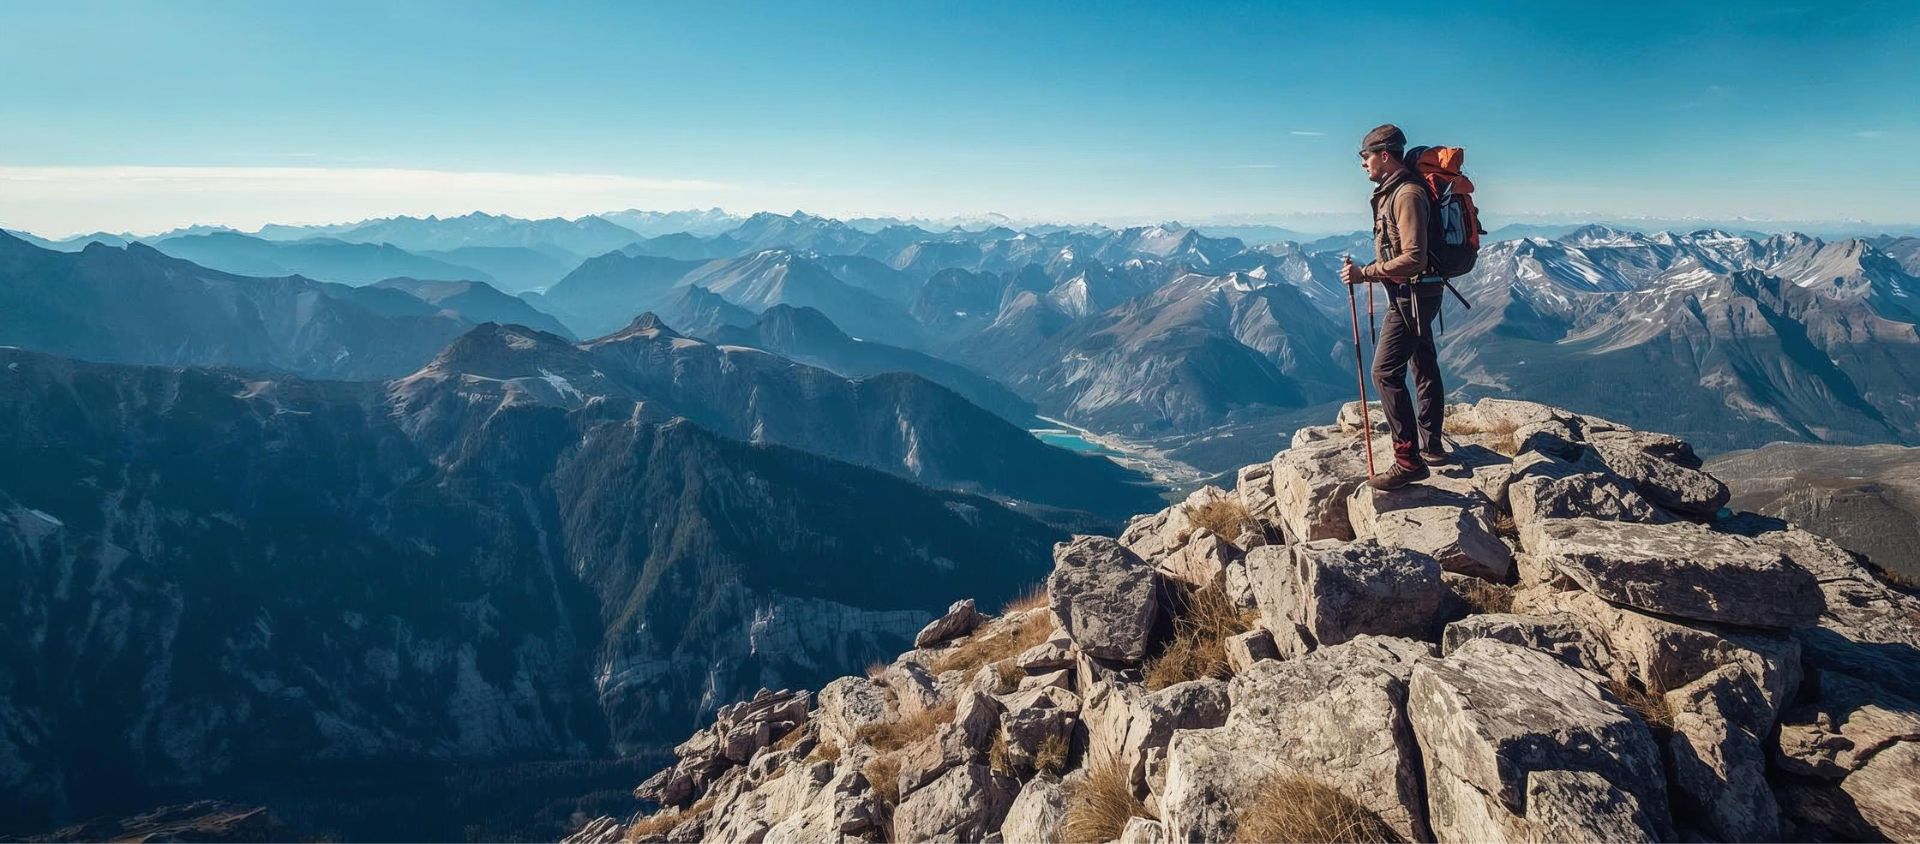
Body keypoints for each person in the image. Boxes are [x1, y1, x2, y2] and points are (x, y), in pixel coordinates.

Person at [1339, 123, 1449, 490]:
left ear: (1384, 155)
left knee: (1384, 373)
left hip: (1412, 294)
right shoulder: (1397, 191)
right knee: (1422, 360)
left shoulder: (1407, 194)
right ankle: (1431, 443)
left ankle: (1407, 461)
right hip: (1419, 293)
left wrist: (1365, 274)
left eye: (1365, 156)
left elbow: (1414, 258)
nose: (1363, 164)